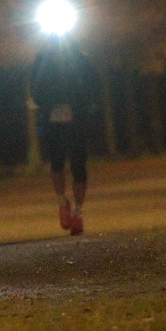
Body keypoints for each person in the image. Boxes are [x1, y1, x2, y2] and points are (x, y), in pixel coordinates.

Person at [30, 36, 98, 236]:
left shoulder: (83, 60)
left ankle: (78, 211)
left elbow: (94, 87)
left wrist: (81, 105)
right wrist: (48, 104)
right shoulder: (42, 60)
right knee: (56, 163)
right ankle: (62, 201)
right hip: (53, 120)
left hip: (77, 120)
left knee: (78, 165)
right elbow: (35, 89)